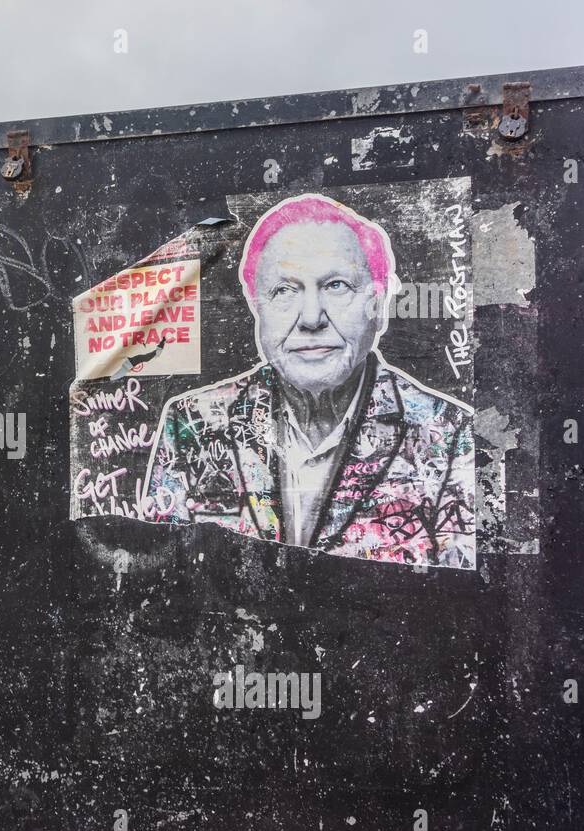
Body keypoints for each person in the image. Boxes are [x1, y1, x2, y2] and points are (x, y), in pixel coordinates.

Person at [143, 193, 475, 568]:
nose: (312, 317)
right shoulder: (193, 423)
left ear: (378, 306)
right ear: (257, 308)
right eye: (284, 290)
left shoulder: (447, 434)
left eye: (336, 286)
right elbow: (161, 582)